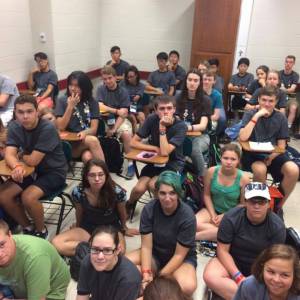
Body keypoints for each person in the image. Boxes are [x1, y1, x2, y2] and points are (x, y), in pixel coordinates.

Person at [203, 182, 286, 300]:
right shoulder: (231, 217)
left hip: (262, 267)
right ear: (246, 202)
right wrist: (238, 277)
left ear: (268, 204)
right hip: (232, 261)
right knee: (210, 276)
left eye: (261, 202)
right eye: (253, 201)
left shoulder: (277, 226)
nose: (257, 206)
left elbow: (274, 260)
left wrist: (255, 279)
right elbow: (222, 250)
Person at [0, 95, 67, 238]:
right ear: (15, 113)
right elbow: (9, 154)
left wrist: (21, 155)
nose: (25, 116)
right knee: (4, 195)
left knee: (28, 197)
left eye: (29, 111)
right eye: (20, 112)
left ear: (37, 112)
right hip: (30, 171)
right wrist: (17, 166)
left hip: (54, 172)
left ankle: (41, 230)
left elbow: (33, 161)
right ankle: (28, 227)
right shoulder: (14, 126)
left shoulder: (47, 128)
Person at [126, 171, 197, 297]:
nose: (167, 198)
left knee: (187, 286)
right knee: (122, 265)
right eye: (162, 193)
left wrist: (158, 278)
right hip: (155, 253)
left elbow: (179, 255)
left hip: (181, 259)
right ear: (156, 193)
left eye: (172, 193)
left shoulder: (187, 216)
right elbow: (147, 247)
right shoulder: (149, 209)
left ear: (179, 194)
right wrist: (146, 273)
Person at [52, 159, 138, 256]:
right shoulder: (78, 192)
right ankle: (100, 250)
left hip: (110, 228)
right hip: (87, 227)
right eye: (92, 175)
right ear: (86, 176)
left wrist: (124, 227)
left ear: (106, 175)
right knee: (57, 243)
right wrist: (78, 225)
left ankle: (91, 252)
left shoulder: (117, 192)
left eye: (101, 174)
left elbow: (122, 212)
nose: (97, 179)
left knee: (120, 252)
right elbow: (79, 212)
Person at [125, 95, 187, 215]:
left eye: (169, 108)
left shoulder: (181, 126)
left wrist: (162, 128)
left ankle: (163, 211)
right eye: (162, 109)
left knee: (154, 185)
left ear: (174, 109)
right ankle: (129, 205)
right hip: (155, 162)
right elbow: (133, 142)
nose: (166, 112)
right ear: (155, 110)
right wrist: (153, 148)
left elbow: (164, 152)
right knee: (139, 188)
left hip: (173, 163)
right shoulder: (151, 119)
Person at [239, 86, 299, 204]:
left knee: (293, 170)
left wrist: (271, 158)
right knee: (261, 170)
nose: (266, 104)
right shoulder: (250, 113)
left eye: (271, 101)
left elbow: (281, 146)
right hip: (251, 154)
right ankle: (259, 204)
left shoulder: (280, 117)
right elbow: (243, 137)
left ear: (276, 102)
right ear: (259, 100)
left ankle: (277, 206)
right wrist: (256, 116)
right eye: (264, 100)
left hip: (273, 154)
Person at [0, 220, 70, 300]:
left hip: (50, 293)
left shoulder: (34, 258)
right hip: (13, 285)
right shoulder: (6, 243)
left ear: (10, 235)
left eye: (2, 244)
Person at [195, 143, 249, 241]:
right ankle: (223, 234)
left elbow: (243, 204)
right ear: (221, 158)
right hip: (212, 209)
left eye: (233, 159)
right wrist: (213, 215)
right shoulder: (211, 171)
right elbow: (206, 195)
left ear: (238, 161)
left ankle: (196, 236)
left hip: (232, 214)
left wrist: (224, 216)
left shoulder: (244, 179)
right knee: (193, 223)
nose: (229, 162)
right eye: (225, 158)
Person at [76, 225, 141, 300]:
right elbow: (82, 295)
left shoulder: (129, 278)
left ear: (118, 250)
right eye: (95, 249)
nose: (100, 256)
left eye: (107, 250)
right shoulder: (87, 261)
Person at [55, 71, 104, 163]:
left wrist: (86, 132)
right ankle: (106, 176)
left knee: (87, 157)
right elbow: (61, 127)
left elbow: (94, 129)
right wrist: (70, 106)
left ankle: (95, 176)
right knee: (93, 140)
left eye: (77, 86)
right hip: (69, 143)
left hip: (84, 140)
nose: (73, 88)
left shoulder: (92, 101)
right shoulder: (62, 100)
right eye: (70, 85)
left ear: (84, 87)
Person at [96, 66, 134, 179]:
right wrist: (116, 110)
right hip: (103, 120)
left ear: (115, 77)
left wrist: (114, 129)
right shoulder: (100, 89)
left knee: (126, 135)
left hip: (119, 120)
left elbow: (124, 115)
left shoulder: (123, 91)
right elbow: (99, 106)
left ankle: (131, 163)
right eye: (105, 79)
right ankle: (100, 164)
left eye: (110, 78)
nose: (107, 81)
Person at [176, 68, 211, 177]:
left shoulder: (205, 100)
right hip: (181, 135)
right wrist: (182, 128)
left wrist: (187, 128)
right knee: (173, 147)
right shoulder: (178, 97)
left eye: (195, 81)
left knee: (194, 148)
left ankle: (202, 178)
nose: (192, 83)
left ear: (200, 83)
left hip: (201, 136)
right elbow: (176, 118)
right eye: (190, 80)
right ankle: (176, 174)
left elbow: (202, 126)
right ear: (185, 81)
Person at [234, 244, 300, 300]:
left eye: (285, 275)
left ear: (295, 275)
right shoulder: (249, 286)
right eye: (271, 272)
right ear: (262, 268)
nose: (276, 280)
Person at [120, 65, 146, 129]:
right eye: (127, 77)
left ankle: (140, 135)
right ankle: (134, 136)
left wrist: (137, 96)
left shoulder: (141, 85)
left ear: (136, 75)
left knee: (142, 117)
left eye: (131, 77)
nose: (129, 79)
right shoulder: (122, 83)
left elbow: (136, 98)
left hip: (137, 107)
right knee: (133, 119)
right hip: (126, 108)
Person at [202, 70, 227, 135]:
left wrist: (204, 119)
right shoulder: (197, 92)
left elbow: (216, 116)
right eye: (205, 79)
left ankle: (216, 136)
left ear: (214, 81)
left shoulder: (218, 95)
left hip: (210, 114)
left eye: (209, 80)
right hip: (198, 115)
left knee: (222, 119)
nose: (207, 82)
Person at [279, 55, 299, 132]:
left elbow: (292, 90)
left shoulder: (295, 75)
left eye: (290, 62)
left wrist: (284, 89)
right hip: (279, 96)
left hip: (291, 98)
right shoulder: (279, 73)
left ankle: (287, 128)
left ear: (293, 64)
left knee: (293, 107)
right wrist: (286, 89)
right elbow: (278, 88)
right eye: (287, 61)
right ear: (284, 62)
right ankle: (279, 127)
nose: (288, 64)